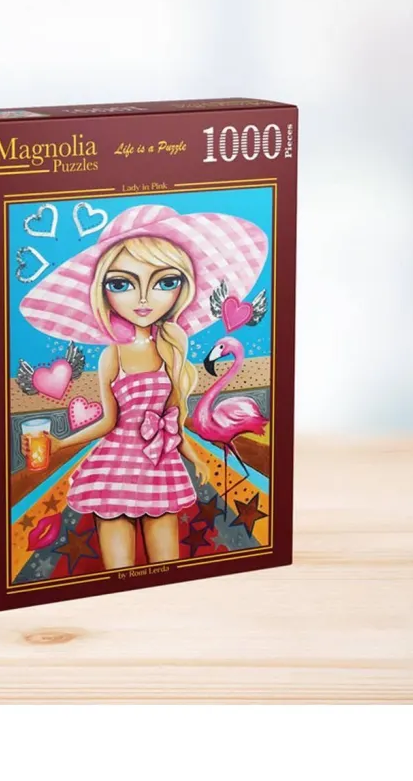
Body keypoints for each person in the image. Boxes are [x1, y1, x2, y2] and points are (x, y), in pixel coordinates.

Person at [19, 203, 267, 569]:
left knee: (166, 565)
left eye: (166, 282)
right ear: (103, 291)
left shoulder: (171, 347)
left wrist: (195, 456)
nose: (144, 299)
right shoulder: (113, 355)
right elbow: (107, 421)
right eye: (121, 284)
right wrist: (58, 443)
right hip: (115, 466)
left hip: (160, 464)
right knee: (117, 569)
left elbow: (173, 419)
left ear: (183, 287)